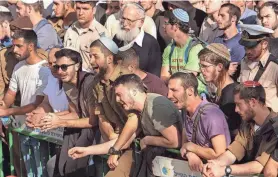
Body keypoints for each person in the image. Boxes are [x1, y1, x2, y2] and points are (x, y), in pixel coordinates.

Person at [0, 29, 50, 177]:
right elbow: (10, 94)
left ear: (30, 46)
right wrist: (3, 107)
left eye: (18, 46)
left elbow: (37, 104)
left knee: (40, 171)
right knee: (27, 171)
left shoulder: (45, 69)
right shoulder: (18, 67)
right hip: (22, 128)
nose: (14, 50)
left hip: (40, 130)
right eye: (14, 45)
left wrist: (7, 112)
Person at [203, 81, 278, 177]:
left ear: (253, 102)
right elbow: (234, 151)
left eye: (239, 104)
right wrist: (215, 164)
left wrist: (225, 170)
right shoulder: (247, 123)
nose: (236, 110)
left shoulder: (275, 127)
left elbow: (259, 166)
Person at [167, 72, 231, 172]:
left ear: (190, 91)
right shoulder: (185, 111)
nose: (169, 95)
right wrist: (190, 154)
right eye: (169, 90)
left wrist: (191, 147)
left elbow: (220, 154)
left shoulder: (211, 115)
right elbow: (185, 144)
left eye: (174, 90)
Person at [25, 46, 69, 177]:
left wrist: (50, 117)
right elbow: (46, 102)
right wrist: (37, 114)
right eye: (49, 63)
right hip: (57, 135)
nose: (51, 66)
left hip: (74, 135)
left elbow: (76, 112)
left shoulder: (74, 80)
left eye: (54, 64)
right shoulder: (51, 76)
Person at [198, 43, 241, 140]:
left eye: (205, 66)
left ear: (220, 67)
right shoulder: (223, 90)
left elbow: (230, 133)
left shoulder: (230, 94)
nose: (201, 70)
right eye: (200, 66)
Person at [161, 8, 207, 95]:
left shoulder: (195, 48)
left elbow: (187, 80)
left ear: (175, 27)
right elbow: (163, 77)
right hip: (176, 94)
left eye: (166, 23)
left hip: (195, 95)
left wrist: (171, 79)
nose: (163, 26)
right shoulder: (169, 49)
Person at [113, 2, 162, 77]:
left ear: (141, 22)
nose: (125, 23)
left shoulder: (151, 43)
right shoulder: (117, 39)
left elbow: (154, 77)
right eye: (123, 18)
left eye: (130, 20)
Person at [238, 24, 278, 112]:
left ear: (264, 44)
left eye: (252, 47)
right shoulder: (243, 62)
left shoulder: (275, 67)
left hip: (270, 122)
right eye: (246, 47)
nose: (248, 51)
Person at [64, 0, 108, 72]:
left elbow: (104, 65)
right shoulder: (71, 30)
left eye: (85, 9)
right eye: (78, 8)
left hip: (89, 79)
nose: (80, 13)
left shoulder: (100, 34)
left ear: (93, 10)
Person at [213, 3, 245, 81]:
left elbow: (233, 70)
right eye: (218, 15)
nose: (218, 19)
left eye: (222, 16)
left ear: (233, 18)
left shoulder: (241, 43)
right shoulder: (216, 40)